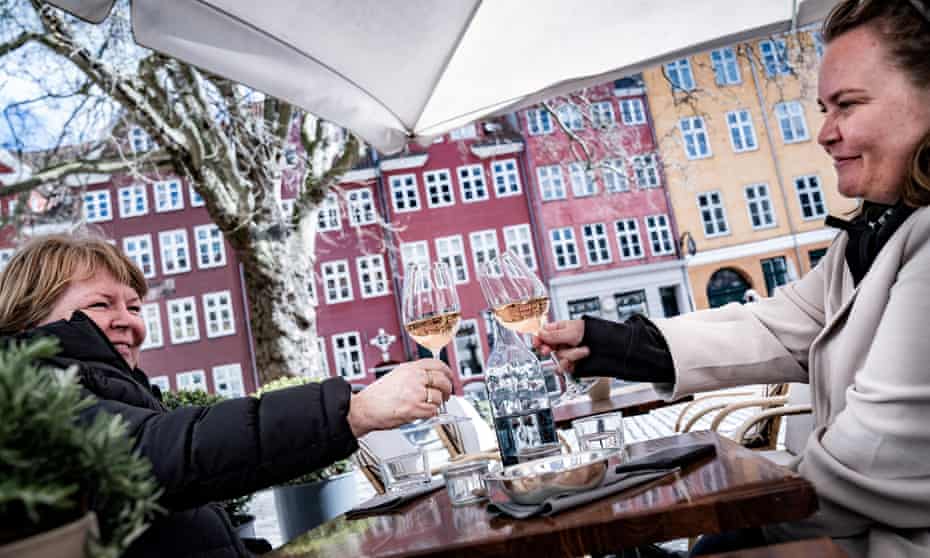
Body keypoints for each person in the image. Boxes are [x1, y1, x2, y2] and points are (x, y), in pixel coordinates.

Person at [536, 1, 930, 556]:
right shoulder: (873, 231)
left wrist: (729, 515)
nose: (824, 133)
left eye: (847, 105)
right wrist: (617, 344)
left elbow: (867, 459)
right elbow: (777, 325)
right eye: (823, 107)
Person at [0, 234, 454, 558]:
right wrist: (353, 410)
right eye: (102, 304)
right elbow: (163, 452)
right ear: (29, 318)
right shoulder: (30, 397)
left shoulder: (109, 389)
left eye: (135, 307)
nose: (129, 321)